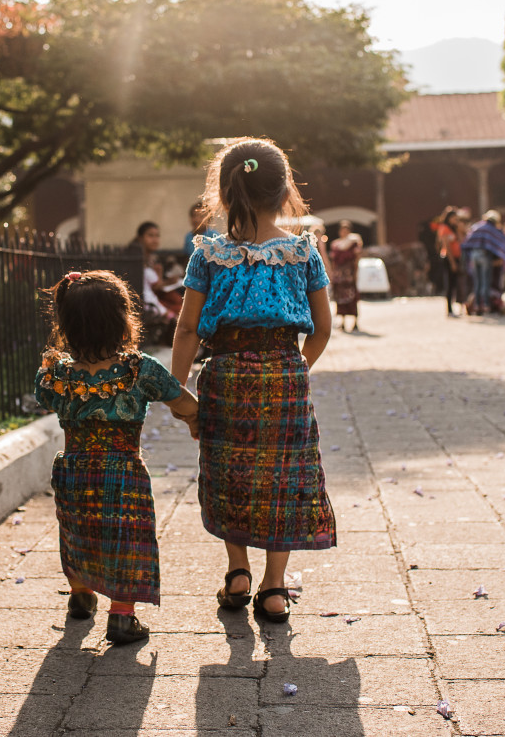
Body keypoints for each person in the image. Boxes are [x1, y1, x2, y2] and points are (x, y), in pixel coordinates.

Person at [171, 137, 335, 625]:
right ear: (285, 192)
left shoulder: (208, 255)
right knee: (283, 477)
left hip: (224, 375)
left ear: (222, 193)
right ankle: (274, 587)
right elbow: (323, 328)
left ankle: (237, 571)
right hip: (284, 373)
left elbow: (185, 329)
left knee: (230, 472)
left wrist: (178, 391)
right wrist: (295, 369)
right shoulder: (303, 253)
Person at [34, 270, 199, 644]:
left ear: (65, 324)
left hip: (74, 469)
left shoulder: (54, 374)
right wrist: (194, 419)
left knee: (78, 531)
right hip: (123, 471)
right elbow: (183, 401)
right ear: (124, 319)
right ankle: (122, 616)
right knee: (127, 540)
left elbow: (44, 399)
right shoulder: (139, 369)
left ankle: (80, 595)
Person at [460, 209, 505, 315]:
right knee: (485, 282)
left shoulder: (477, 227)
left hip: (474, 256)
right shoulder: (492, 230)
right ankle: (486, 305)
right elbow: (501, 245)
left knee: (477, 282)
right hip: (485, 257)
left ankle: (477, 306)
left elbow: (467, 242)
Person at [134, 221, 182, 343]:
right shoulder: (137, 259)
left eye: (157, 236)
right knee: (177, 305)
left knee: (178, 300)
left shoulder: (150, 258)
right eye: (150, 235)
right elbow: (155, 287)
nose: (155, 240)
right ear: (140, 238)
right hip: (146, 302)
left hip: (153, 298)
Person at [328, 220, 363, 332]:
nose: (344, 232)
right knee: (340, 299)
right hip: (339, 276)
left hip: (349, 275)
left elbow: (356, 258)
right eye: (342, 230)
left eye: (346, 230)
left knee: (352, 298)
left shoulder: (354, 242)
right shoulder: (336, 244)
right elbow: (334, 261)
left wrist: (356, 273)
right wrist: (333, 273)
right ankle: (342, 322)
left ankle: (355, 323)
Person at [435, 206, 469, 318]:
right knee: (449, 285)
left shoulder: (454, 229)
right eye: (454, 218)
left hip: (458, 258)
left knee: (456, 284)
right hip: (448, 259)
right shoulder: (444, 228)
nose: (455, 220)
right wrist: (452, 263)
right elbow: (447, 247)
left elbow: (462, 239)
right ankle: (449, 309)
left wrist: (459, 227)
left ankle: (458, 306)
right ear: (448, 218)